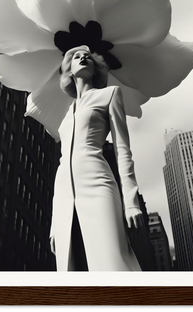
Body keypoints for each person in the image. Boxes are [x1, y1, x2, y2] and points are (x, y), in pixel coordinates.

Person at [49, 45, 144, 271]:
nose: (83, 58)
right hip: (64, 194)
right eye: (76, 57)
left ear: (95, 69)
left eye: (88, 58)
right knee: (72, 268)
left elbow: (123, 149)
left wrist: (131, 202)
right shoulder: (66, 115)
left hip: (98, 184)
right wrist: (55, 222)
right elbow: (63, 163)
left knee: (113, 261)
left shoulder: (109, 94)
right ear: (69, 71)